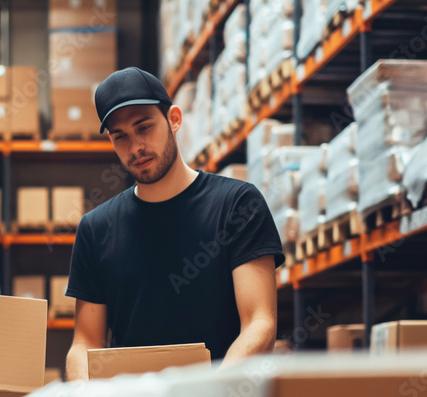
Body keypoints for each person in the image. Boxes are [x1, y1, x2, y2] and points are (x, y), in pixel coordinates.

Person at [64, 67, 285, 380]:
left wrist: (206, 396)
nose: (136, 147)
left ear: (174, 119)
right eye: (121, 137)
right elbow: (85, 341)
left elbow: (259, 322)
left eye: (144, 128)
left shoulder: (236, 205)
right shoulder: (96, 229)